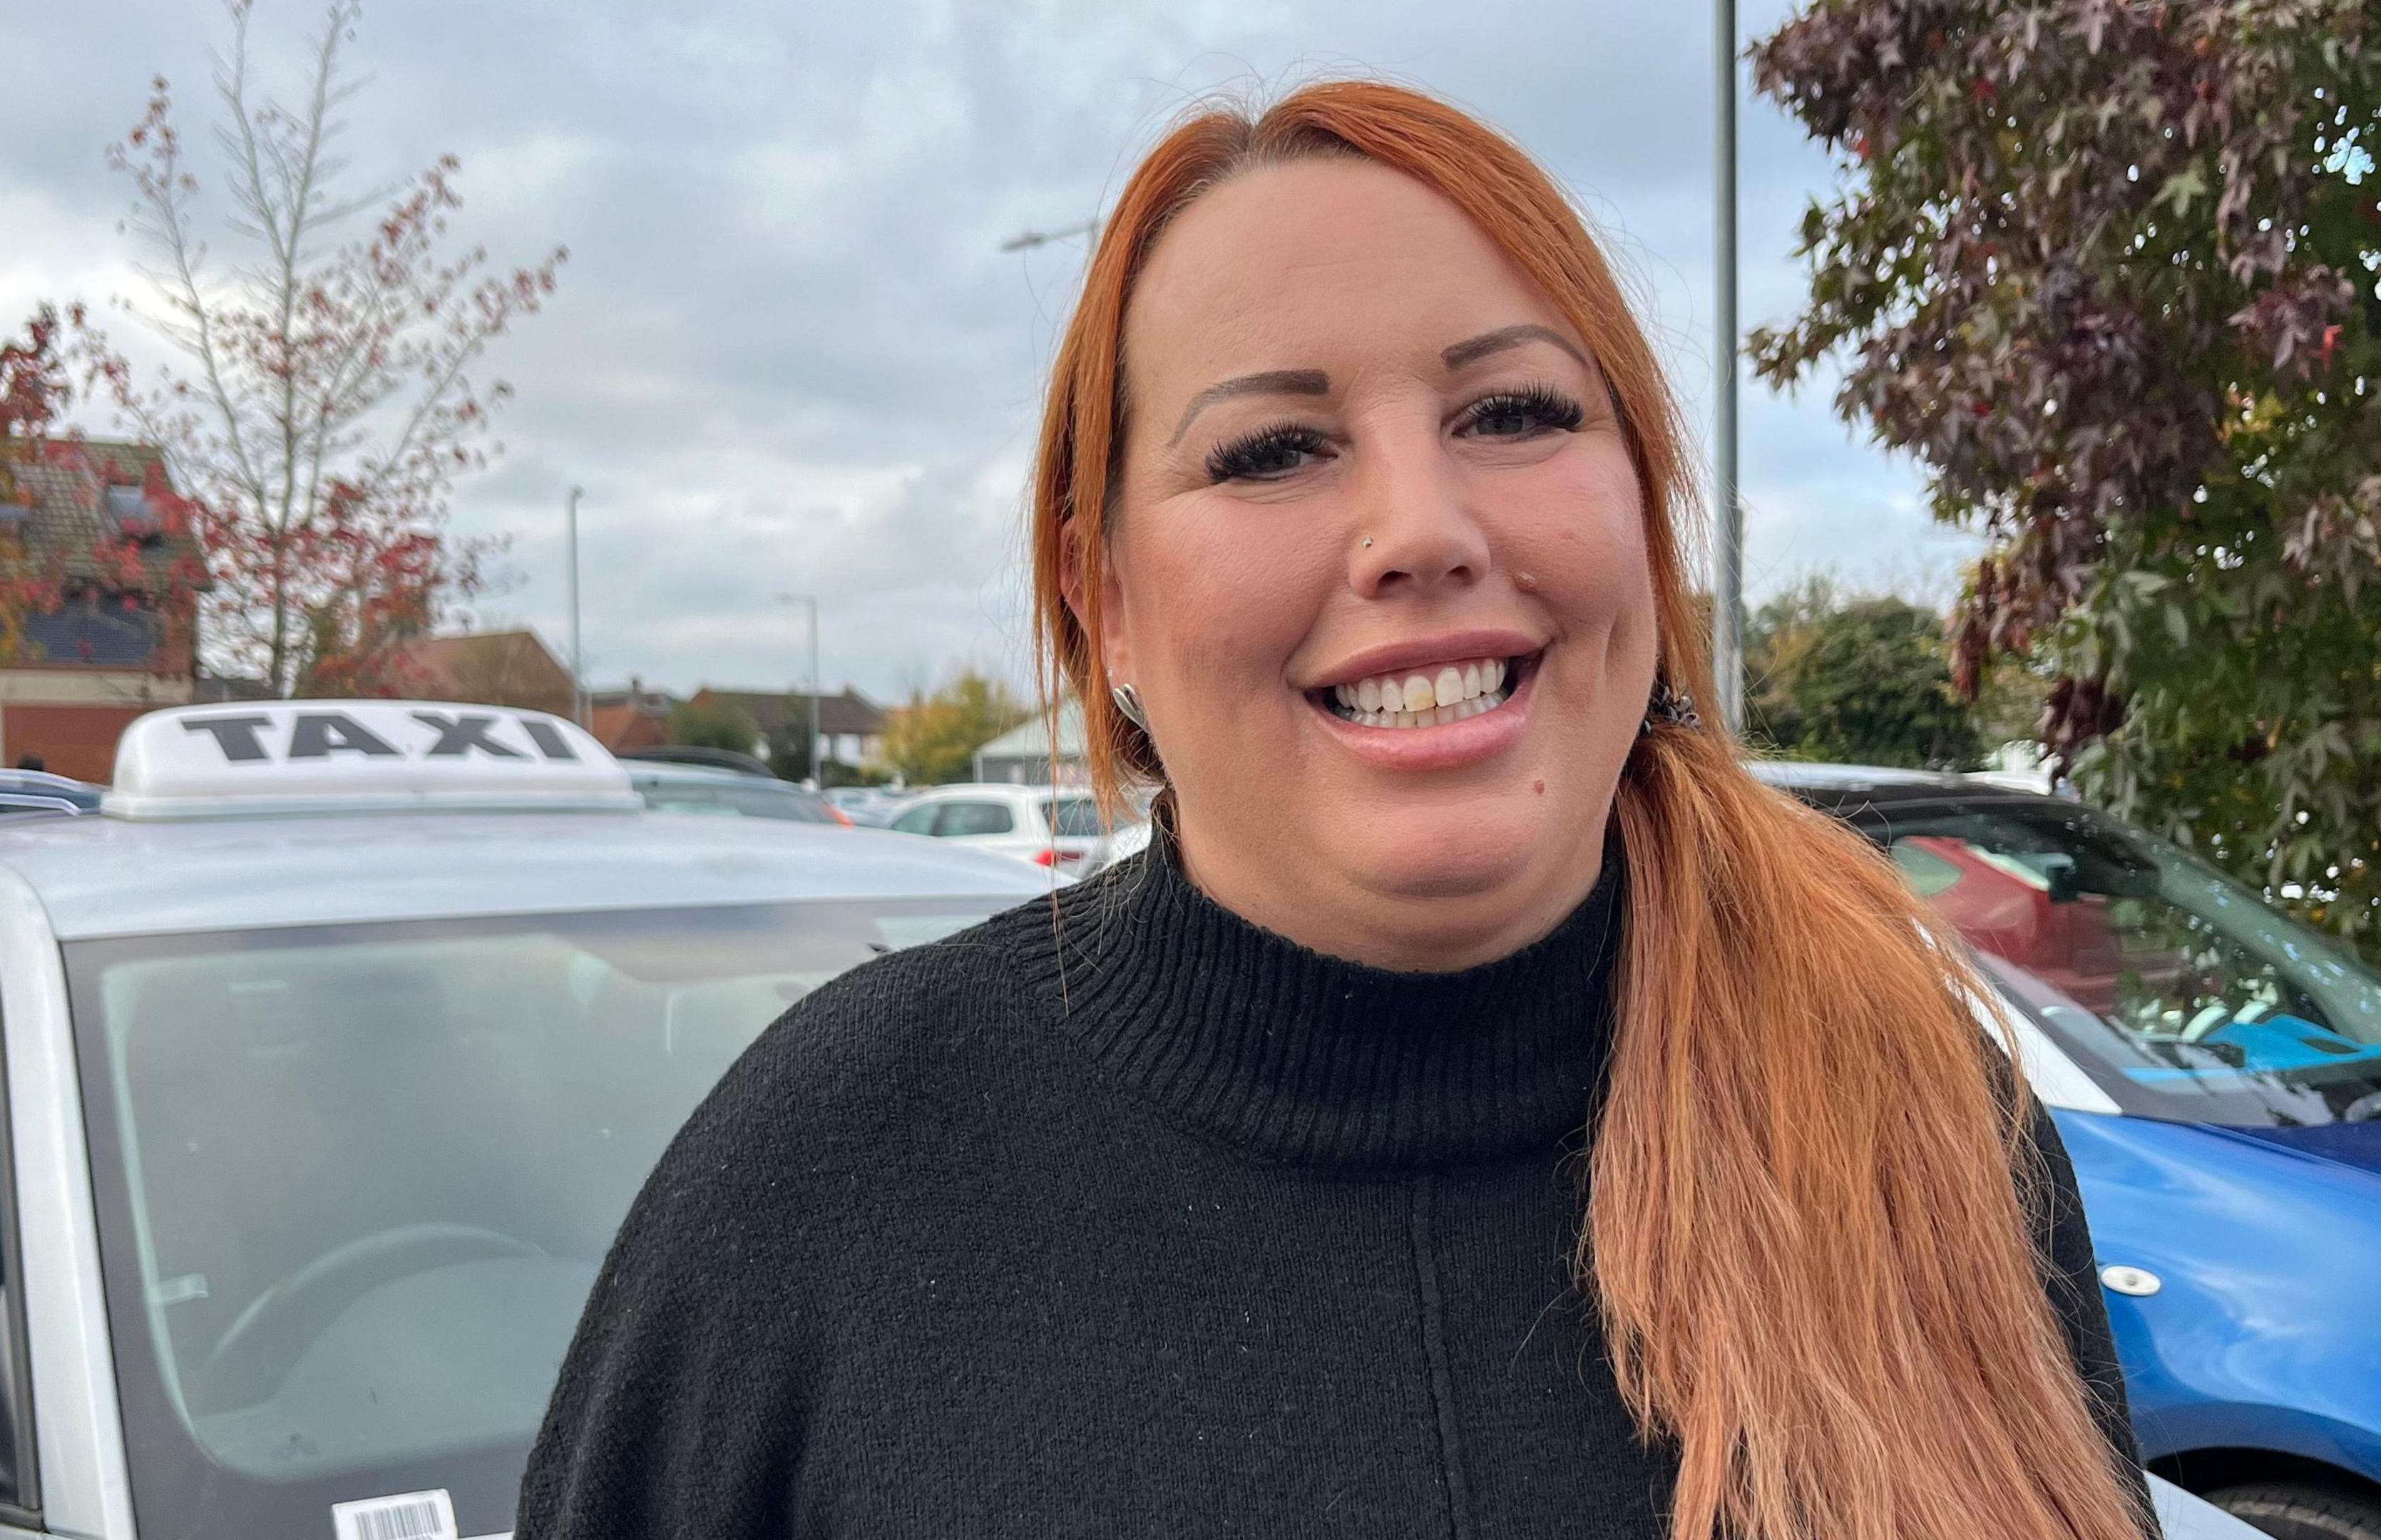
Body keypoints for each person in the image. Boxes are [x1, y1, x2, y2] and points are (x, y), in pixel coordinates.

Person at [518, 82, 2159, 1540]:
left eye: (1514, 414)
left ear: (1644, 516)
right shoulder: (832, 1179)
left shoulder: (1911, 1108)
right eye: (1274, 450)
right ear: (1105, 599)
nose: (1419, 528)